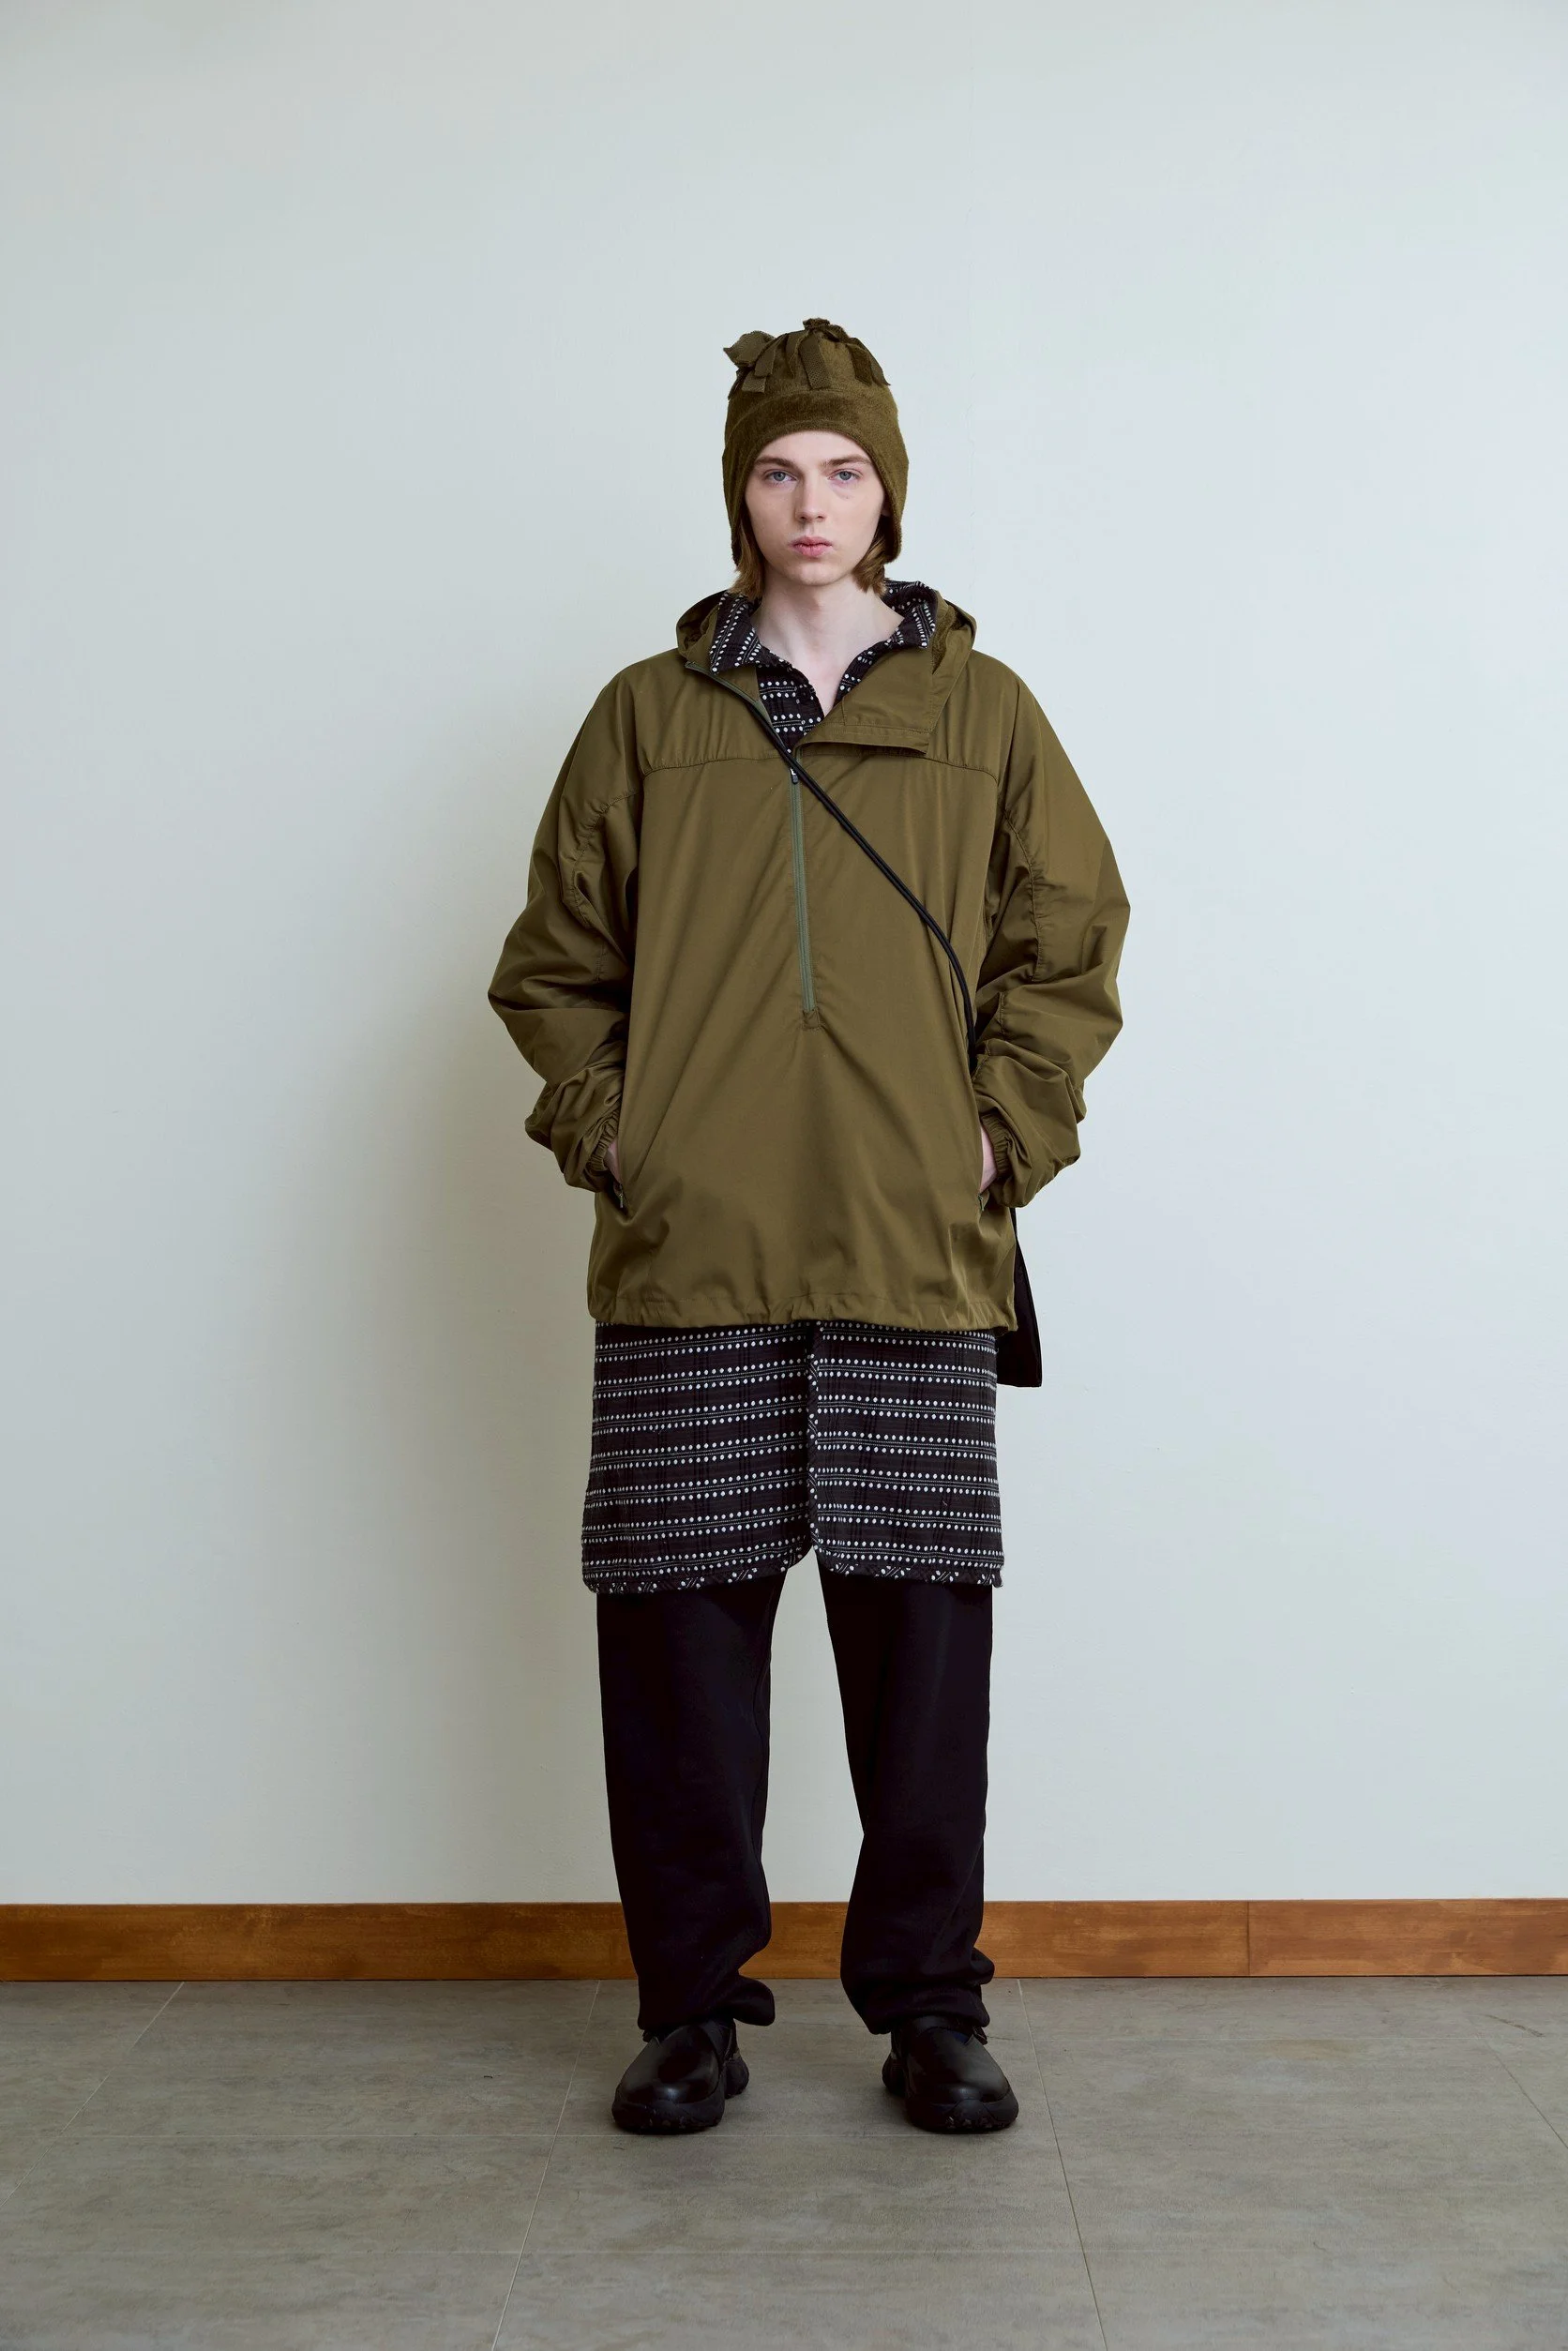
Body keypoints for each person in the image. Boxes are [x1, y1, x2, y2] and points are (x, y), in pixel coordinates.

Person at [488, 318, 1128, 2135]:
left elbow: (1067, 946)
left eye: (843, 468)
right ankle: (690, 2007)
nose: (811, 501)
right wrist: (623, 1137)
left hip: (910, 1251)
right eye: (778, 469)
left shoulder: (983, 713)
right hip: (692, 1255)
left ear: (888, 489)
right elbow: (550, 969)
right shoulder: (646, 712)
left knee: (921, 1659)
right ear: (738, 494)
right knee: (677, 1653)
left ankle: (929, 2003)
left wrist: (999, 1134)